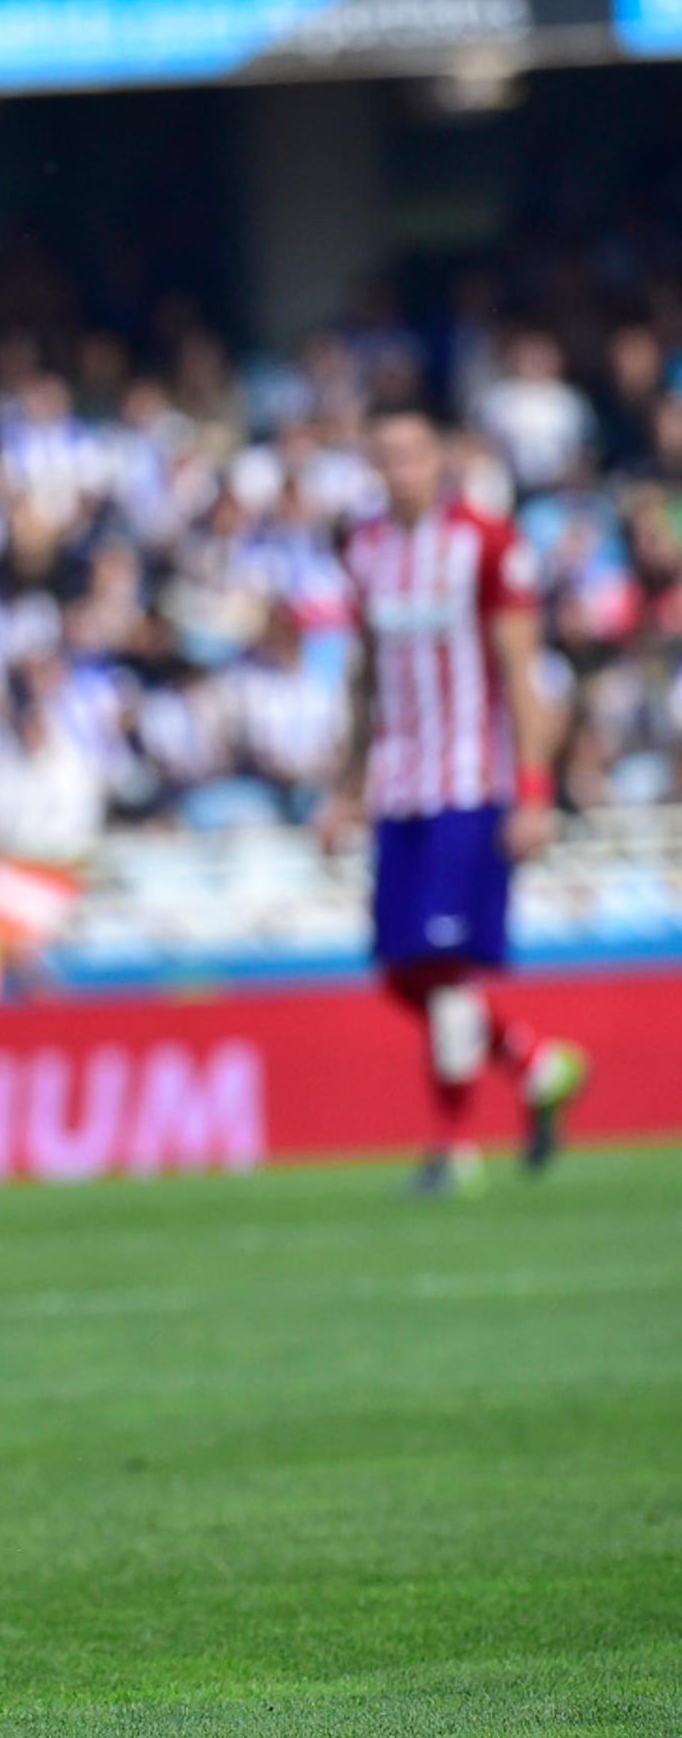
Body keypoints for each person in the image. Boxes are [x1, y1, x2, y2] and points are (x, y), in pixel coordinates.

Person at [321, 409, 588, 1194]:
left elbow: (521, 669)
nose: (400, 468)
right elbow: (365, 676)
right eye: (386, 456)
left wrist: (534, 791)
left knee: (439, 963)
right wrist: (344, 788)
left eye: (412, 453)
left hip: (471, 782)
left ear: (439, 458)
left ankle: (452, 1146)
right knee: (402, 971)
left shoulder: (486, 541)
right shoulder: (366, 549)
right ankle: (538, 1064)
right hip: (398, 785)